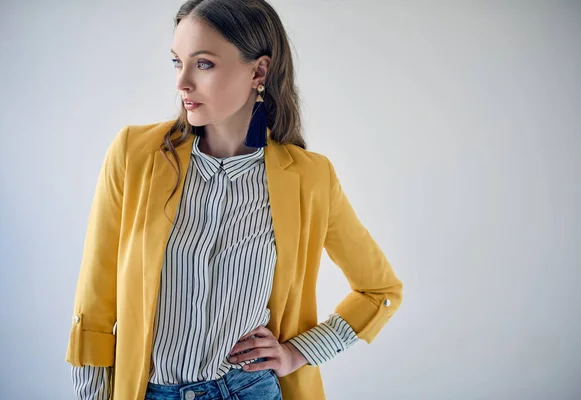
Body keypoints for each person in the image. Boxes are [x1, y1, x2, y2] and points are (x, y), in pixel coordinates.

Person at [65, 0, 403, 399]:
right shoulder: (134, 156)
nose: (182, 82)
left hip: (250, 389)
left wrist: (298, 352)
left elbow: (379, 292)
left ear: (258, 71)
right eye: (178, 62)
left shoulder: (310, 178)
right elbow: (94, 307)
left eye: (203, 64)